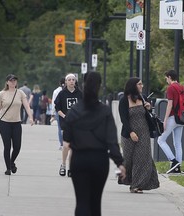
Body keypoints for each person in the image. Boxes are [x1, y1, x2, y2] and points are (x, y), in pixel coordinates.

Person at [63, 72, 126, 216]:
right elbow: (111, 141)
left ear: (83, 85)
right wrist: (119, 163)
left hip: (79, 159)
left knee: (82, 202)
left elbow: (66, 138)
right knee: (95, 202)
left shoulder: (74, 111)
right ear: (99, 87)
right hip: (99, 160)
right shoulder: (105, 111)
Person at [118, 77, 159, 193]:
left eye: (141, 84)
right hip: (129, 133)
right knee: (129, 159)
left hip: (144, 132)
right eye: (139, 84)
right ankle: (129, 180)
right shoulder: (124, 100)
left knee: (142, 159)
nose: (142, 86)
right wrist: (131, 132)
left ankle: (137, 185)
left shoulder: (143, 98)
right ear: (133, 86)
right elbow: (123, 119)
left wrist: (148, 108)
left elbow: (147, 115)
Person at [0, 74, 34, 175]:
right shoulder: (2, 94)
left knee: (17, 147)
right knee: (7, 146)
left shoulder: (20, 93)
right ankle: (8, 168)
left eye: (15, 80)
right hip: (4, 123)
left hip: (16, 123)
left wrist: (30, 117)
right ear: (7, 82)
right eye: (11, 80)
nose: (13, 82)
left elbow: (27, 106)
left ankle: (11, 162)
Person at [55, 73, 82, 177]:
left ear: (75, 82)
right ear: (65, 82)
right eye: (69, 80)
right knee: (66, 146)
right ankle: (63, 164)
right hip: (66, 123)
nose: (71, 81)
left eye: (73, 80)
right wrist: (65, 116)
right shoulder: (62, 94)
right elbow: (57, 108)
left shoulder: (80, 93)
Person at [157, 70, 184, 174]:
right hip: (181, 118)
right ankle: (178, 167)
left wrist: (165, 120)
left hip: (173, 117)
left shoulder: (171, 88)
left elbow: (170, 105)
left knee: (161, 140)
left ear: (169, 77)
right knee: (177, 143)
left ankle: (173, 161)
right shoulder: (181, 87)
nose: (166, 80)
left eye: (166, 78)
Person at [51, 77, 65, 150]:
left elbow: (54, 103)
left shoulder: (56, 91)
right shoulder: (67, 90)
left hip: (58, 111)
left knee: (60, 128)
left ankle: (61, 144)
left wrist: (52, 113)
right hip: (66, 111)